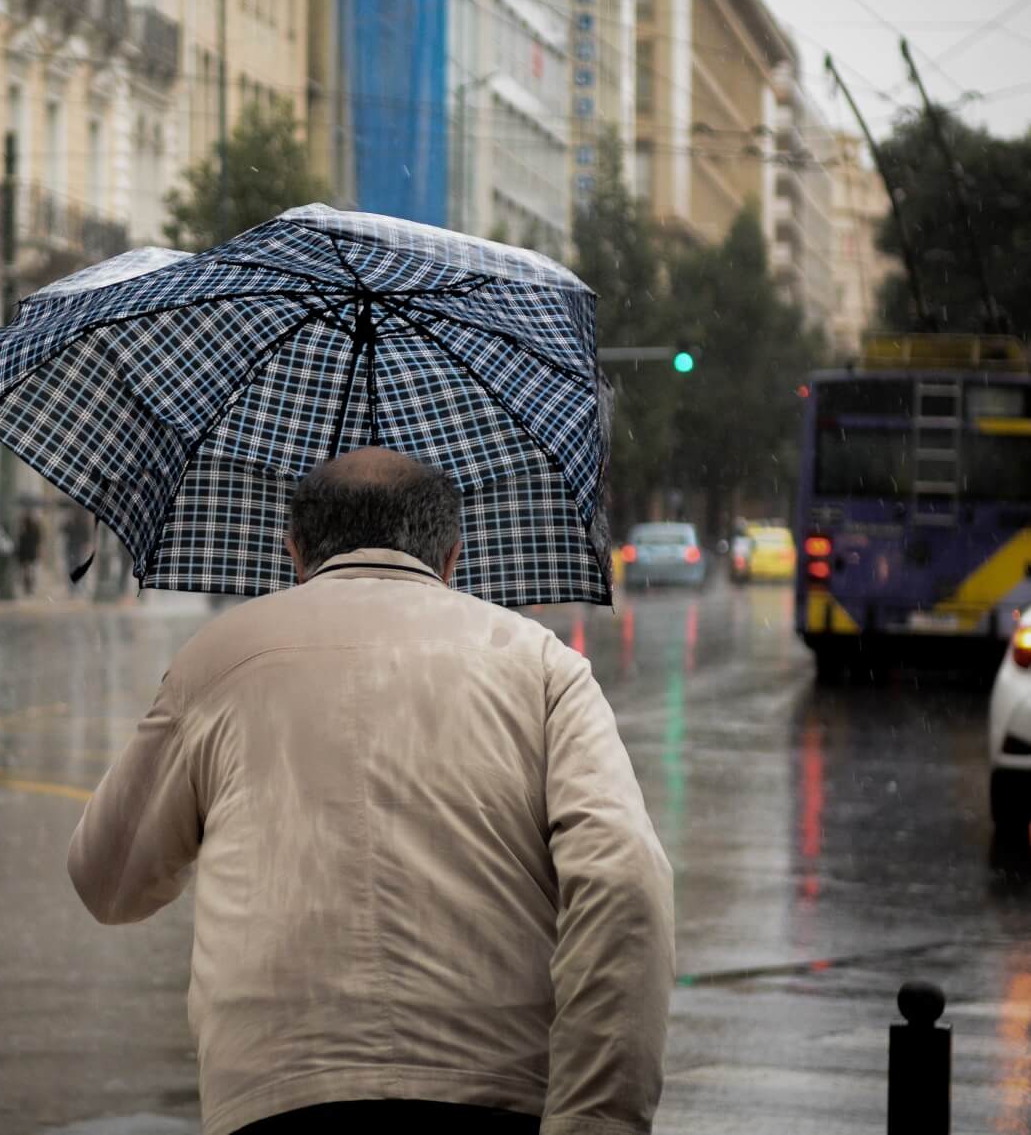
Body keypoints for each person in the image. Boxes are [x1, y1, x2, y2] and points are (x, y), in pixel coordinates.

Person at [67, 447, 674, 1135]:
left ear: (293, 551)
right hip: (497, 1094)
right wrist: (594, 1117)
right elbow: (623, 880)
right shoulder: (543, 667)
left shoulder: (216, 661)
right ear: (451, 556)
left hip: (272, 1094)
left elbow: (107, 882)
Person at [16, 507, 43, 596]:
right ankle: (28, 586)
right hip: (28, 551)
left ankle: (28, 586)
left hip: (26, 551)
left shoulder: (25, 527)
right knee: (28, 570)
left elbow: (37, 539)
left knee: (27, 570)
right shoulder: (32, 526)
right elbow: (38, 540)